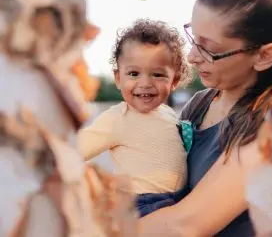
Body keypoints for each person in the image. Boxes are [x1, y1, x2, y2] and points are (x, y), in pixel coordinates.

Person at [137, 0, 272, 236]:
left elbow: (184, 226)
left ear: (264, 55)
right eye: (193, 38)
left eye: (210, 49)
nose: (192, 56)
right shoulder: (200, 103)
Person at [77, 19, 193, 216]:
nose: (145, 83)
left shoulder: (169, 114)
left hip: (178, 200)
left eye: (157, 74)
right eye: (134, 73)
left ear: (174, 80)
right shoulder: (118, 118)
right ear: (118, 78)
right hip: (140, 203)